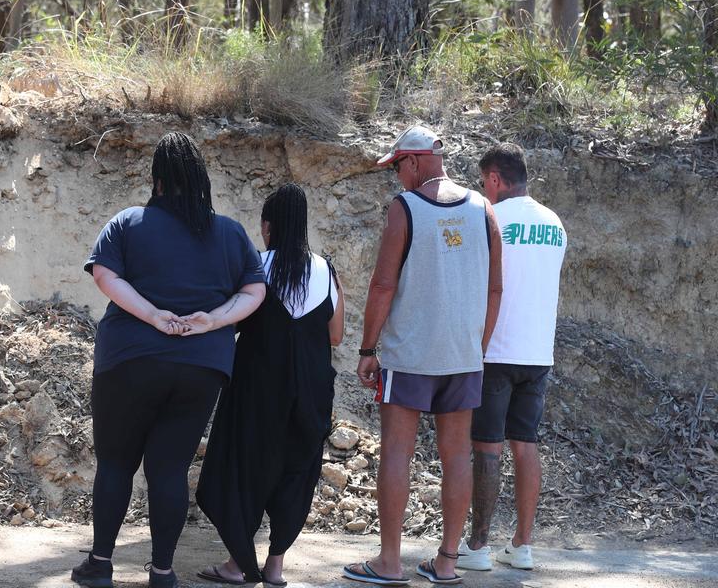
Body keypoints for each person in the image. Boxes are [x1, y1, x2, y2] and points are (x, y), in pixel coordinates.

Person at [71, 132, 267, 588]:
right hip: (202, 365)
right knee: (170, 468)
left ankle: (100, 564)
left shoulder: (128, 222)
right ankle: (161, 571)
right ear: (201, 179)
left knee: (117, 462)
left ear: (157, 181)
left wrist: (154, 315)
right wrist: (213, 321)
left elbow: (105, 275)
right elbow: (255, 291)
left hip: (130, 359)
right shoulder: (230, 232)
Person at [343, 126, 503, 587]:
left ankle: (389, 562)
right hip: (462, 355)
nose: (396, 177)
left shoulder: (405, 208)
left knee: (397, 450)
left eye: (396, 167)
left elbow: (382, 285)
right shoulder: (483, 209)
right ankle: (448, 563)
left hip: (409, 353)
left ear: (413, 162)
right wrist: (479, 345)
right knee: (457, 457)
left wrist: (368, 347)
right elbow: (495, 288)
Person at [196, 183, 345, 587]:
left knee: (245, 466)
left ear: (267, 226)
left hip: (258, 385)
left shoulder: (257, 265)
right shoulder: (326, 270)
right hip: (312, 389)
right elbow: (336, 335)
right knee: (296, 471)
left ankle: (237, 563)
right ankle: (275, 566)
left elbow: (234, 319)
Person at [457, 143, 567, 573]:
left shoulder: (492, 217)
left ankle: (478, 547)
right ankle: (521, 546)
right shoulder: (555, 223)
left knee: (486, 445)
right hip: (538, 352)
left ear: (496, 179)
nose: (484, 189)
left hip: (495, 349)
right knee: (526, 444)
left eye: (485, 182)